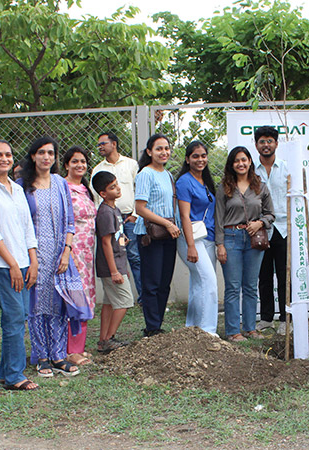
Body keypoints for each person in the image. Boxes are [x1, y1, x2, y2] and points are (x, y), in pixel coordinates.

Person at [0, 140, 40, 392]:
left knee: (20, 317)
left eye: (8, 155)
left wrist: (33, 261)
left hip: (24, 263)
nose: (4, 159)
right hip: (2, 266)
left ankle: (6, 372)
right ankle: (15, 376)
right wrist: (12, 264)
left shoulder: (17, 189)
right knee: (13, 318)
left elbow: (27, 227)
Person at [18, 136, 84, 378]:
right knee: (37, 306)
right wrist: (31, 258)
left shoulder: (59, 183)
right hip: (34, 255)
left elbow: (69, 220)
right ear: (33, 156)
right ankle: (42, 356)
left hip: (59, 256)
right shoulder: (22, 185)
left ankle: (58, 355)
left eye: (50, 153)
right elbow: (21, 223)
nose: (46, 157)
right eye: (41, 152)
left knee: (58, 305)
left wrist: (66, 251)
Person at [216, 146, 275, 341]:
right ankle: (233, 331)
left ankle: (250, 328)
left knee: (250, 286)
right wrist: (220, 244)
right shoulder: (225, 187)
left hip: (254, 240)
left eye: (244, 160)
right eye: (236, 161)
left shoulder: (260, 186)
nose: (240, 164)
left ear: (250, 162)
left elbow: (270, 214)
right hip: (231, 238)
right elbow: (218, 218)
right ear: (231, 165)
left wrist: (260, 223)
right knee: (233, 287)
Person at [134, 133, 180, 337]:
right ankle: (152, 327)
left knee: (164, 282)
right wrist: (166, 224)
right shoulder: (146, 173)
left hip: (169, 234)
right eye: (159, 148)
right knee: (151, 283)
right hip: (151, 235)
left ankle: (158, 324)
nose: (164, 152)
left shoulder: (168, 175)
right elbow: (140, 208)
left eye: (166, 148)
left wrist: (172, 226)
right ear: (149, 151)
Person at [92, 131, 141, 304]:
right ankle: (117, 290)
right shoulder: (98, 169)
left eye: (103, 143)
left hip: (128, 219)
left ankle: (142, 298)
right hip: (108, 221)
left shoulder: (131, 164)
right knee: (112, 251)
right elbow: (96, 199)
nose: (100, 147)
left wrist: (135, 215)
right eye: (98, 145)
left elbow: (139, 189)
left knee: (134, 256)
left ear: (114, 144)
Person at [175, 140, 219, 334]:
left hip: (208, 237)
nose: (200, 160)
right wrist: (191, 245)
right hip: (192, 239)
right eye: (195, 156)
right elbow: (185, 215)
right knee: (209, 282)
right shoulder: (184, 181)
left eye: (203, 156)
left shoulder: (205, 181)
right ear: (187, 159)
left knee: (198, 284)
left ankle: (192, 327)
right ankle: (207, 331)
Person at [92, 171, 135, 353]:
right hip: (112, 266)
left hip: (118, 262)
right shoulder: (105, 212)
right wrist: (114, 271)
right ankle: (109, 338)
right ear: (103, 193)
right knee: (125, 301)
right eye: (112, 187)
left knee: (109, 302)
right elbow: (105, 242)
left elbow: (116, 238)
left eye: (117, 184)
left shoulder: (115, 210)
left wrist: (123, 241)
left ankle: (103, 340)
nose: (117, 188)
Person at [63, 146, 97, 367]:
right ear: (66, 164)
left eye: (83, 161)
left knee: (86, 297)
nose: (79, 165)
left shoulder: (85, 189)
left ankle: (79, 347)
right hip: (72, 251)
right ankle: (70, 351)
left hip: (88, 253)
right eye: (75, 161)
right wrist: (69, 252)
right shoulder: (62, 188)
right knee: (74, 299)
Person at [254, 126, 289, 332]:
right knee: (264, 275)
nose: (266, 145)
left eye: (270, 141)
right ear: (256, 145)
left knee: (284, 276)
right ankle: (266, 318)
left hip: (284, 228)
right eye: (262, 141)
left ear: (276, 143)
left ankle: (285, 319)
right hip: (261, 229)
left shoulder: (286, 168)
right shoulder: (251, 171)